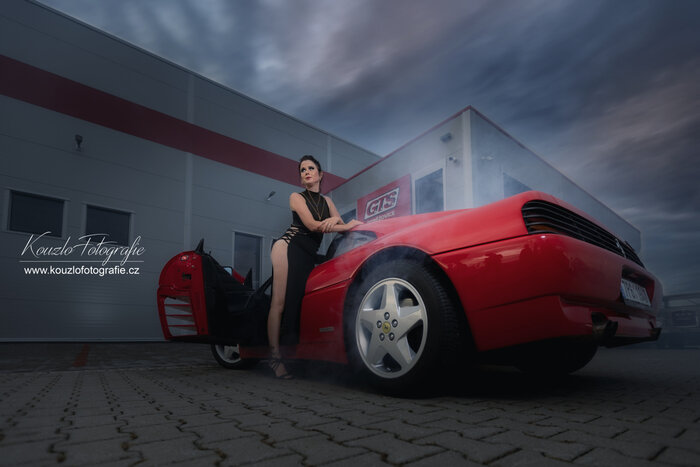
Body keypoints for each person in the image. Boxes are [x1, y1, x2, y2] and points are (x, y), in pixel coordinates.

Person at [267, 155, 362, 378]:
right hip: (287, 246)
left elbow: (340, 226)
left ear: (320, 174)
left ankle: (294, 354)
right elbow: (312, 225)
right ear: (301, 178)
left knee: (299, 303)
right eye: (302, 170)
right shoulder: (295, 197)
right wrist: (342, 224)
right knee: (279, 303)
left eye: (311, 168)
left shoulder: (327, 202)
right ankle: (274, 358)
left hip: (308, 254)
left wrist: (337, 222)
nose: (307, 172)